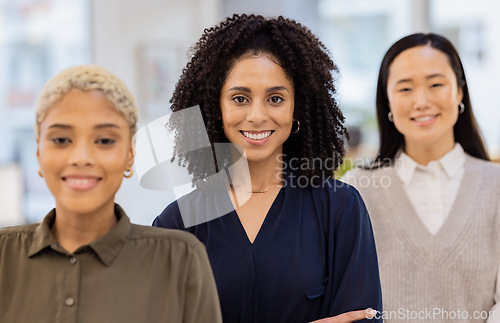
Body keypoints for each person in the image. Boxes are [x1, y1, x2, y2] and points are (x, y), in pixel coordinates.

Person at [152, 14, 382, 323]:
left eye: (275, 98)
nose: (257, 115)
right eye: (240, 98)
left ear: (296, 109)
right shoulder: (176, 224)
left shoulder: (340, 209)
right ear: (216, 109)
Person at [0, 65, 222, 323]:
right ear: (38, 153)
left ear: (130, 154)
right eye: (61, 140)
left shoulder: (181, 258)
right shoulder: (4, 256)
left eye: (104, 141)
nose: (81, 158)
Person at [342, 33, 500, 322]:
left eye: (436, 84)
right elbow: (349, 302)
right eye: (405, 89)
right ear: (387, 101)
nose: (422, 101)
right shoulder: (357, 189)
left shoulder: (497, 186)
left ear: (460, 92)